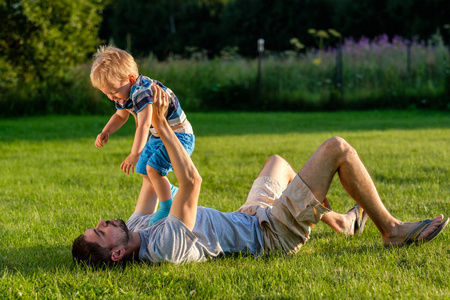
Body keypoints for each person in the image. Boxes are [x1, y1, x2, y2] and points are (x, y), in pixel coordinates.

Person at [72, 85, 448, 266]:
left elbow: (152, 176)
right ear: (118, 252)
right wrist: (160, 122)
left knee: (278, 163)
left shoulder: (139, 224)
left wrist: (155, 114)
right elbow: (191, 183)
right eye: (102, 231)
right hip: (271, 234)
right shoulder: (163, 245)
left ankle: (342, 221)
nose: (104, 221)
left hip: (250, 216)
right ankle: (392, 231)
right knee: (337, 148)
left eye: (98, 224)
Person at [90, 46, 195, 224]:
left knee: (153, 168)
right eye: (106, 94)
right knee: (143, 169)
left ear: (131, 79)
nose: (111, 97)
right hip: (158, 136)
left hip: (178, 136)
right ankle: (170, 193)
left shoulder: (142, 91)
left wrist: (134, 154)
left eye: (113, 92)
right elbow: (120, 115)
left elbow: (144, 124)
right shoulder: (125, 93)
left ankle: (167, 206)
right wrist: (106, 131)